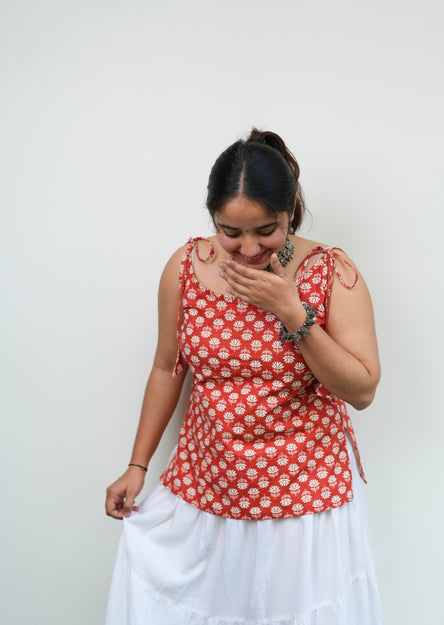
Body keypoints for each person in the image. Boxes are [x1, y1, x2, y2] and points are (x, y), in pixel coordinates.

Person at [105, 129, 382, 625]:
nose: (248, 248)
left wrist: (291, 311)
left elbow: (362, 390)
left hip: (303, 497)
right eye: (230, 232)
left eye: (265, 230)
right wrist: (137, 465)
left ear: (290, 211)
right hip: (206, 485)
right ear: (212, 217)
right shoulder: (186, 266)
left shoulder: (331, 272)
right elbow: (168, 366)